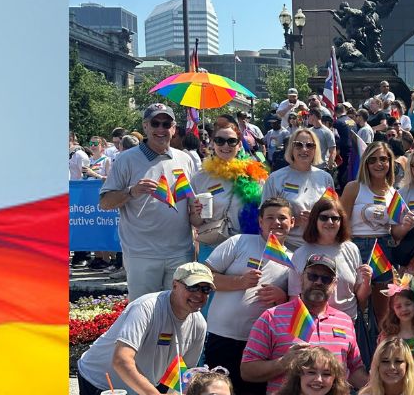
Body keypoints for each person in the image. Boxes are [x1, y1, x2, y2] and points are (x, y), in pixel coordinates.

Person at [75, 261, 212, 395]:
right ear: (174, 285)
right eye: (192, 287)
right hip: (101, 383)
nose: (199, 294)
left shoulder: (199, 324)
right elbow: (121, 360)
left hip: (141, 386)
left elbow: (184, 373)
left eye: (205, 289)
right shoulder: (147, 307)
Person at [203, 198, 293, 395]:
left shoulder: (292, 260)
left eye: (282, 218)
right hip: (223, 337)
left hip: (259, 343)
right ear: (260, 221)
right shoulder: (239, 242)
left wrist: (282, 297)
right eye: (270, 217)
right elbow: (203, 276)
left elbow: (295, 303)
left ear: (292, 222)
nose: (277, 222)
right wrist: (239, 282)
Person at [97, 103, 197, 298]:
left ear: (174, 128)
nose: (161, 129)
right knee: (143, 315)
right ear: (145, 126)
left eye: (166, 124)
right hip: (142, 254)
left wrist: (198, 210)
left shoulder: (185, 159)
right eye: (155, 123)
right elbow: (105, 202)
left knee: (178, 314)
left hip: (180, 252)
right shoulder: (126, 159)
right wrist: (132, 192)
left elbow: (190, 203)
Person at [241, 253, 367, 395]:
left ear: (335, 284)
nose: (319, 282)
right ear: (301, 278)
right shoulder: (272, 317)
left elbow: (355, 370)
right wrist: (284, 363)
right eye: (313, 276)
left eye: (326, 279)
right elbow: (247, 371)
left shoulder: (344, 321)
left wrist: (382, 387)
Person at [341, 138, 414, 333]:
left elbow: (395, 232)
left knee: (383, 310)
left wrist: (405, 226)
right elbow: (342, 221)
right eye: (372, 159)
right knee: (355, 303)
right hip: (355, 246)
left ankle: (377, 351)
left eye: (383, 159)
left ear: (390, 163)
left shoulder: (393, 193)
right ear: (366, 163)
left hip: (384, 248)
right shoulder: (353, 187)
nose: (378, 164)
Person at [286, 196, 372, 328]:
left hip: (347, 324)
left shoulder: (351, 249)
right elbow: (294, 298)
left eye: (335, 218)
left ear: (341, 221)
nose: (330, 222)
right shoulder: (300, 254)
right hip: (311, 324)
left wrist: (367, 281)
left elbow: (361, 297)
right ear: (314, 220)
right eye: (324, 217)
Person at [188, 115, 269, 250]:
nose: (226, 145)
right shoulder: (200, 178)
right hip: (212, 245)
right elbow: (195, 222)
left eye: (231, 141)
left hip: (246, 246)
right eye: (220, 141)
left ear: (239, 145)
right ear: (213, 143)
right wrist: (197, 212)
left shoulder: (254, 175)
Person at [264, 128, 336, 250]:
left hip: (318, 245)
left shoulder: (326, 178)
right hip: (284, 246)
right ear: (291, 148)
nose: (304, 149)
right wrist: (294, 221)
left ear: (315, 149)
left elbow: (333, 213)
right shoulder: (275, 178)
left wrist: (316, 219)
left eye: (309, 145)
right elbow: (265, 217)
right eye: (298, 145)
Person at [380, 274, 414, 378]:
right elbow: (381, 364)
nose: (404, 309)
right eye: (398, 306)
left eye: (408, 304)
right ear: (393, 310)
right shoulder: (388, 335)